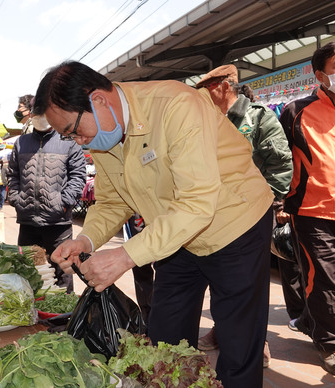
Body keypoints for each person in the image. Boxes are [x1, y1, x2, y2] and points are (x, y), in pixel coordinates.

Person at [34, 60, 274, 388]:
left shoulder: (176, 106)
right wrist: (86, 240)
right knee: (164, 338)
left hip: (235, 225)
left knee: (238, 344)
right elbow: (113, 201)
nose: (78, 141)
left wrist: (124, 256)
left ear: (98, 100)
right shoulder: (102, 135)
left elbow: (197, 203)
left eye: (74, 130)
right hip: (176, 233)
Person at [194, 64, 294, 367]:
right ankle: (220, 330)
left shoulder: (259, 116)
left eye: (207, 89)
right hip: (212, 216)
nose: (202, 96)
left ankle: (257, 339)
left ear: (225, 86)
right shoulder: (206, 121)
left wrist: (268, 205)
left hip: (251, 216)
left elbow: (280, 165)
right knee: (219, 279)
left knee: (251, 282)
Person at [278, 42, 335, 376]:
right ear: (320, 75)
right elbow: (281, 163)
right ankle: (329, 343)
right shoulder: (296, 111)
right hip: (313, 213)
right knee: (324, 281)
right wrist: (281, 203)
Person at [7, 113, 86, 293]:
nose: (39, 116)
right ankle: (34, 314)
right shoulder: (21, 142)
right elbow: (13, 174)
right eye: (36, 112)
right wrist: (16, 198)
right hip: (27, 221)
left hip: (58, 222)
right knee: (27, 271)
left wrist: (63, 202)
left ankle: (64, 316)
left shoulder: (68, 142)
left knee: (63, 272)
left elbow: (78, 175)